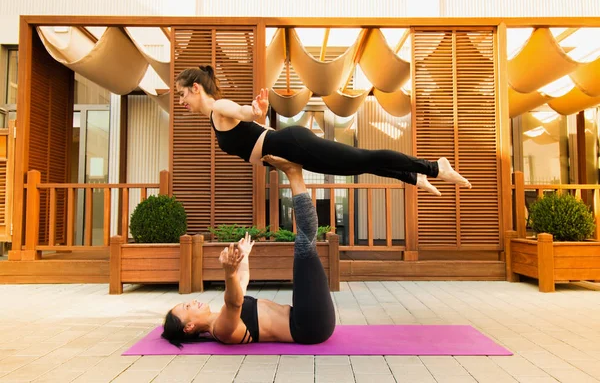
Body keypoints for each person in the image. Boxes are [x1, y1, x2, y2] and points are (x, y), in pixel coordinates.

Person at [175, 65, 472, 197]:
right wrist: (258, 117)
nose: (181, 101)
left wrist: (253, 110)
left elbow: (242, 112)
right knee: (360, 163)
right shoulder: (214, 116)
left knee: (362, 157)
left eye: (182, 94)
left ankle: (434, 166)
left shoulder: (218, 108)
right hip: (289, 150)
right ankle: (414, 176)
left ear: (196, 88)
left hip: (293, 144)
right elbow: (255, 128)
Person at [161, 155, 336, 347]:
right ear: (189, 327)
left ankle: (294, 172)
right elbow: (234, 302)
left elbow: (241, 283)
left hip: (303, 317)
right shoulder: (222, 330)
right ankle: (294, 172)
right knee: (304, 243)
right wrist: (229, 273)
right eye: (187, 307)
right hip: (309, 326)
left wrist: (243, 256)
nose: (193, 301)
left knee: (304, 243)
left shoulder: (222, 316)